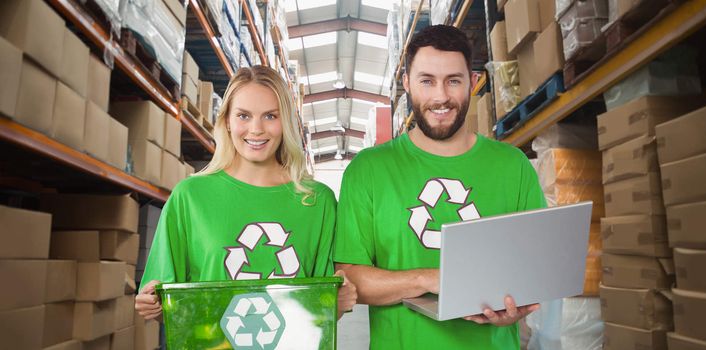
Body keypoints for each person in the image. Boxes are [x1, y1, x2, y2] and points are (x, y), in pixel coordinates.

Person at [334, 25, 546, 349]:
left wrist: (514, 309)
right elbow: (350, 279)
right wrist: (429, 279)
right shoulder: (368, 170)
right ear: (406, 84)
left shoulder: (513, 166)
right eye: (427, 81)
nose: (441, 96)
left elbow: (534, 267)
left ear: (473, 83)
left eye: (454, 81)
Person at [135, 66, 356, 322]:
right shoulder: (190, 196)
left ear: (285, 122)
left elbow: (322, 312)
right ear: (226, 121)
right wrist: (154, 306)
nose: (256, 129)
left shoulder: (318, 201)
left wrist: (339, 302)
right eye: (243, 116)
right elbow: (170, 304)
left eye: (270, 116)